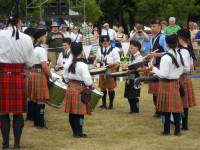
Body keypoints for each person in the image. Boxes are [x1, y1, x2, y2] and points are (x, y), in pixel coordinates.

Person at [0, 1, 35, 149]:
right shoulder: (26, 38)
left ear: (6, 22)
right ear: (19, 22)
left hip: (2, 75)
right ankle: (18, 145)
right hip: (18, 76)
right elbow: (30, 63)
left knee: (3, 112)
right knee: (18, 113)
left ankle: (6, 144)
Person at [148, 34, 184, 136]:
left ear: (167, 44)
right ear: (176, 43)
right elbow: (182, 70)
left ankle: (166, 131)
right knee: (176, 110)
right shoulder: (180, 54)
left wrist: (152, 68)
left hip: (166, 83)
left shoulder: (165, 57)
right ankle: (177, 131)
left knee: (166, 110)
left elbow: (164, 74)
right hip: (176, 82)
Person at [63, 42, 94, 138]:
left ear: (71, 51)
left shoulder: (68, 63)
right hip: (80, 88)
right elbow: (88, 81)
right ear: (81, 52)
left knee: (72, 112)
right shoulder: (82, 65)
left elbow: (65, 77)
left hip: (71, 87)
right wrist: (92, 86)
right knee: (79, 113)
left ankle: (75, 133)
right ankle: (79, 134)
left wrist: (70, 83)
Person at [28, 29, 56, 130]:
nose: (46, 38)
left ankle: (36, 122)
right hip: (40, 75)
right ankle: (40, 123)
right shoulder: (41, 50)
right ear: (41, 38)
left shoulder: (33, 49)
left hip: (33, 74)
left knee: (35, 100)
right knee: (41, 100)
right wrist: (51, 76)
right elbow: (44, 65)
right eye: (45, 37)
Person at [147, 18, 168, 118]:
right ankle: (158, 111)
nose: (152, 28)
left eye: (154, 26)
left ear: (160, 27)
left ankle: (162, 111)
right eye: (151, 26)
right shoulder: (152, 37)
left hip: (161, 65)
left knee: (160, 90)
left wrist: (156, 54)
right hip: (153, 65)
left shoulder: (162, 37)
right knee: (154, 91)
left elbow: (168, 52)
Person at [93, 35, 120, 109]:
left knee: (110, 88)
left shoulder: (114, 50)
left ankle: (111, 105)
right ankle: (104, 104)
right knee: (102, 88)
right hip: (102, 69)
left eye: (105, 43)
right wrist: (95, 62)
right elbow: (98, 58)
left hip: (110, 69)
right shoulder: (99, 50)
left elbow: (118, 61)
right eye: (103, 43)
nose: (104, 45)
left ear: (109, 42)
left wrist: (113, 63)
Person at [177, 29, 196, 130]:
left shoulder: (184, 51)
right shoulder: (186, 49)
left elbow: (187, 67)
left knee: (183, 103)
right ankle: (183, 124)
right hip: (184, 76)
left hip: (182, 76)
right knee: (183, 103)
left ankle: (184, 125)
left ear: (180, 39)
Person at [122, 40, 144, 113]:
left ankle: (136, 109)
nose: (130, 49)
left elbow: (142, 68)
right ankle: (132, 109)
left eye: (131, 48)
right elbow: (131, 64)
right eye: (129, 48)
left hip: (135, 76)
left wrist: (134, 69)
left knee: (134, 94)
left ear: (137, 48)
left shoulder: (140, 57)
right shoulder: (131, 56)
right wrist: (126, 66)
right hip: (130, 75)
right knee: (129, 94)